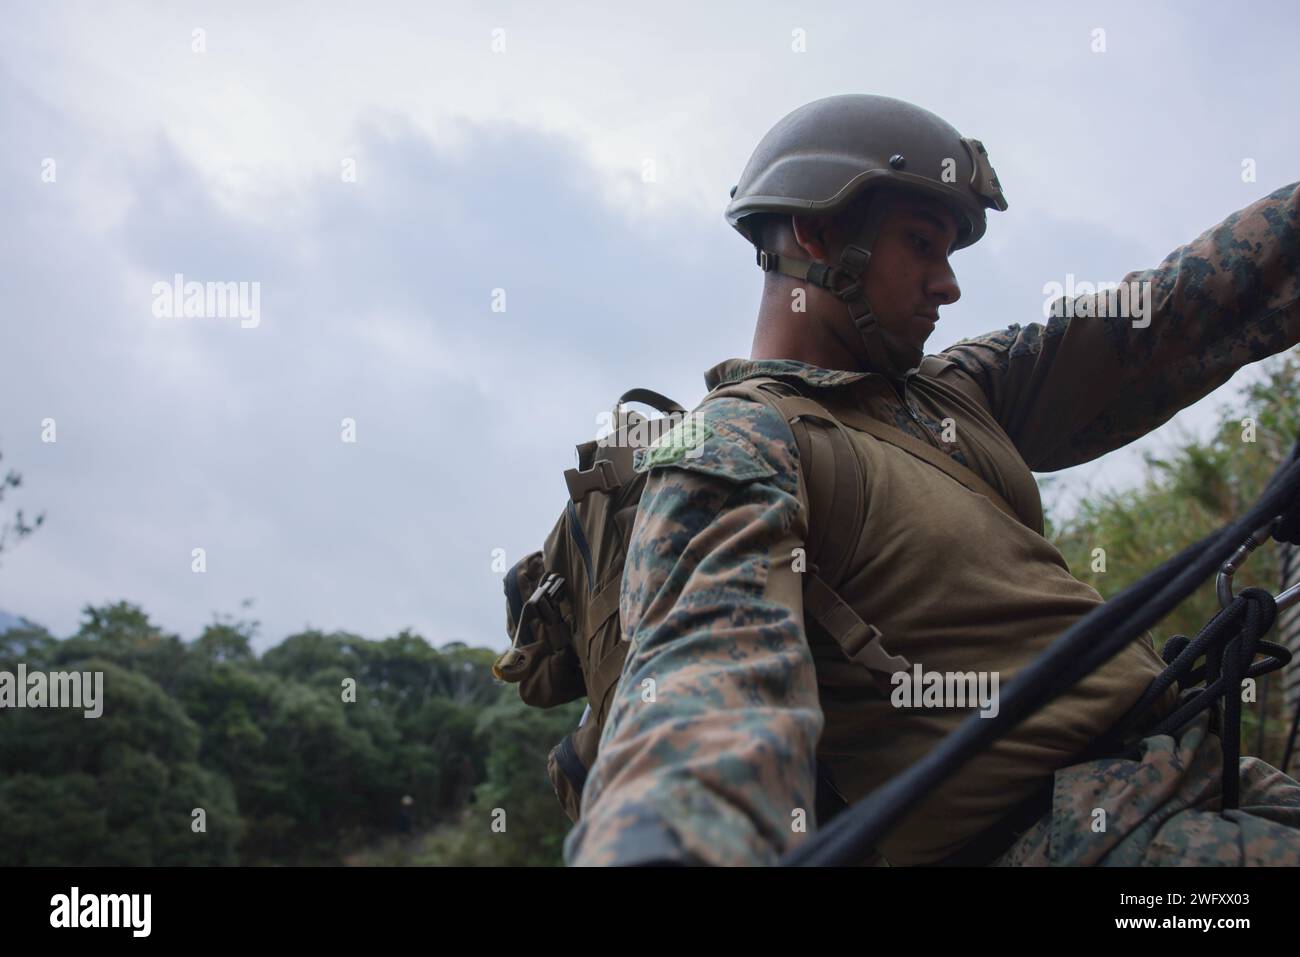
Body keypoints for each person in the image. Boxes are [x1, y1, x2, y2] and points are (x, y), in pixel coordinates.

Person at [563, 94, 1300, 866]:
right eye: (921, 244)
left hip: (1198, 775)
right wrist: (671, 844)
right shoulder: (740, 438)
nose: (948, 284)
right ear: (816, 235)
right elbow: (706, 686)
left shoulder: (956, 394)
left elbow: (1173, 312)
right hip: (1078, 835)